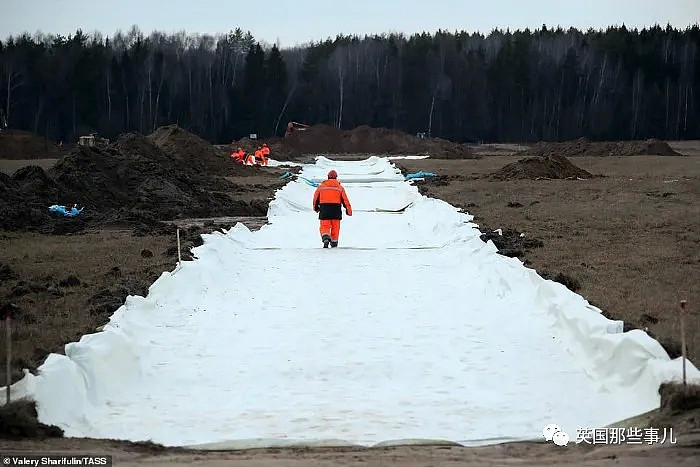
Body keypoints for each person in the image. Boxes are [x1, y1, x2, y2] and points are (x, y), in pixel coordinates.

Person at [312, 170, 352, 248]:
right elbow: (345, 200)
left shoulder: (321, 187)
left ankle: (326, 237)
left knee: (325, 226)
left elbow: (315, 199)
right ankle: (334, 243)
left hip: (324, 210)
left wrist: (315, 208)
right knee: (335, 228)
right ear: (336, 178)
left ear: (328, 177)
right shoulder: (340, 188)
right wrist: (349, 211)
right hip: (336, 211)